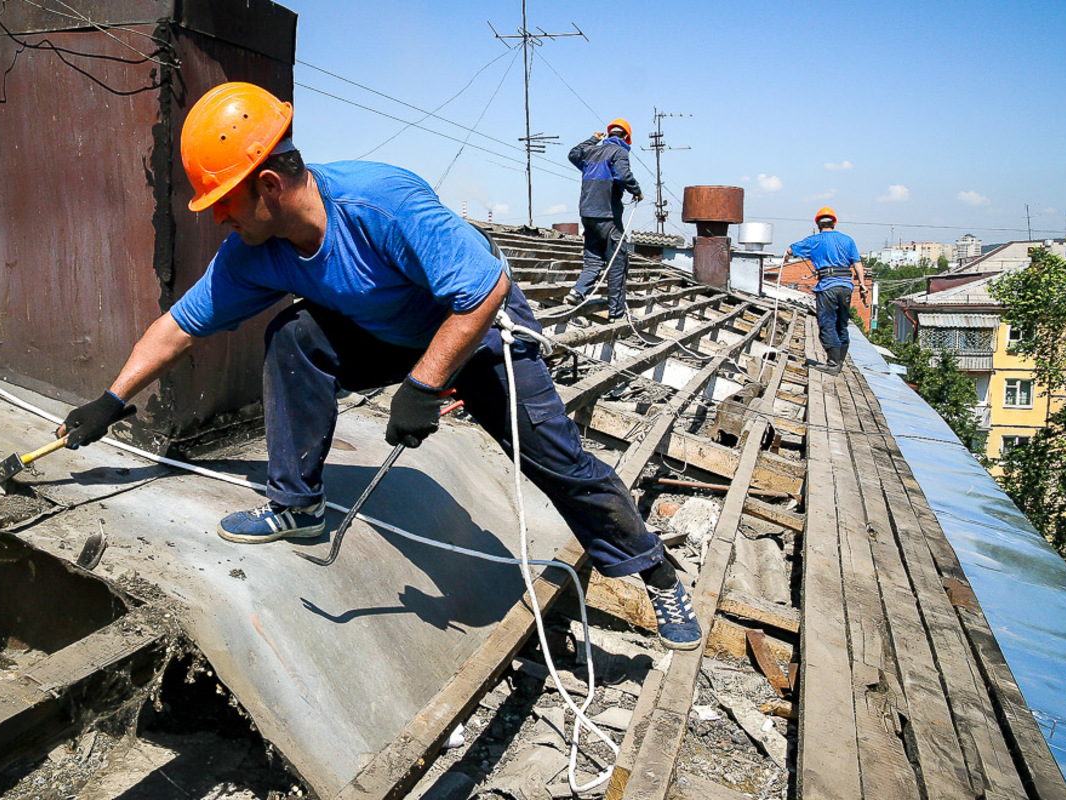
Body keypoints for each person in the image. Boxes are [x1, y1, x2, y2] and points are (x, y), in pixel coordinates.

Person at [56, 82, 701, 650]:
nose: (220, 219)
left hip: (477, 329)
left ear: (270, 187)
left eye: (225, 202)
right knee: (295, 332)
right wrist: (112, 401)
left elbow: (482, 292)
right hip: (391, 334)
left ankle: (654, 571)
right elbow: (179, 327)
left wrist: (424, 385)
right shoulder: (253, 252)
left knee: (555, 460)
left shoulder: (380, 201)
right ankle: (297, 506)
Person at [564, 119, 643, 319]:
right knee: (617, 263)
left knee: (593, 259)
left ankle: (578, 292)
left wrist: (592, 139)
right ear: (626, 137)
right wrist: (637, 191)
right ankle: (616, 313)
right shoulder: (620, 152)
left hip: (587, 214)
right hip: (607, 216)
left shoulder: (592, 151)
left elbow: (573, 153)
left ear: (609, 134)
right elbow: (624, 177)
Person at [785, 207, 868, 373]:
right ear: (834, 223)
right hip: (845, 287)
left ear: (818, 224)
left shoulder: (814, 241)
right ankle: (839, 362)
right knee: (842, 324)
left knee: (827, 323)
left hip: (827, 287)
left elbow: (790, 250)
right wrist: (863, 285)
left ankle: (833, 364)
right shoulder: (847, 240)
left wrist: (788, 255)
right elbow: (857, 264)